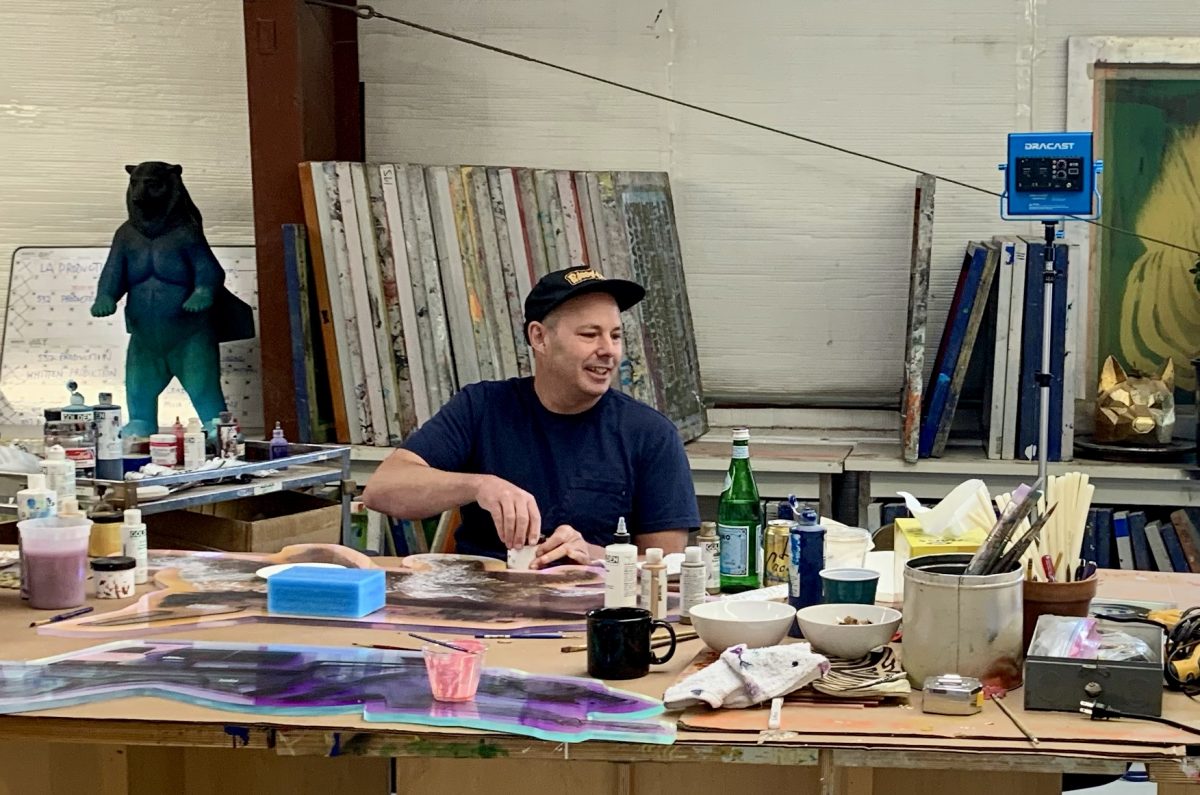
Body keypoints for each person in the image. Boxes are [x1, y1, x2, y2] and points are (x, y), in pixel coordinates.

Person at [362, 265, 699, 568]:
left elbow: (667, 564)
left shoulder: (650, 434)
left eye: (615, 335)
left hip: (594, 606)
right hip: (484, 601)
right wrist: (478, 485)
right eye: (589, 334)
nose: (608, 350)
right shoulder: (482, 407)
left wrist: (592, 554)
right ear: (539, 337)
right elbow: (382, 490)